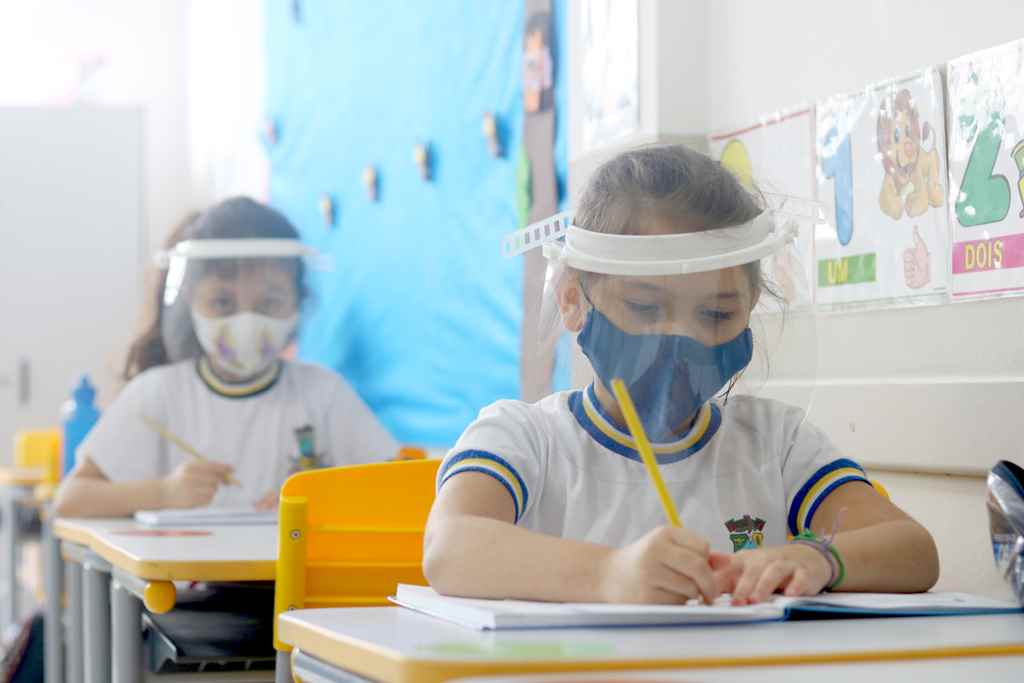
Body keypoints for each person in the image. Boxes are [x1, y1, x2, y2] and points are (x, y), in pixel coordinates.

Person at [424, 145, 939, 605]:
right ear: (572, 300)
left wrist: (820, 559)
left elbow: (914, 550)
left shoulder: (776, 445)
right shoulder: (526, 438)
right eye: (646, 307)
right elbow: (449, 549)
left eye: (716, 315)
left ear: (750, 307)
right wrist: (609, 575)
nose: (682, 340)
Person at [54, 197, 398, 517]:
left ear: (298, 303)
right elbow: (70, 498)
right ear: (189, 303)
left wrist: (323, 502)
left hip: (290, 581)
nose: (245, 323)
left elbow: (397, 490)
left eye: (269, 303)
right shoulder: (158, 393)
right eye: (222, 303)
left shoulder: (323, 393)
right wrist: (164, 493)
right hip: (186, 582)